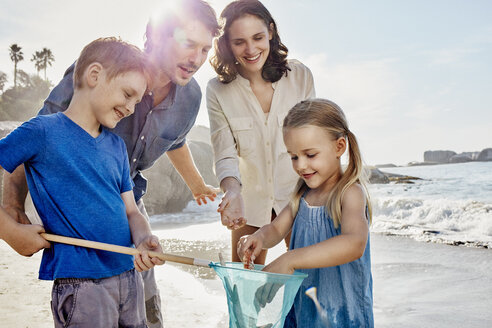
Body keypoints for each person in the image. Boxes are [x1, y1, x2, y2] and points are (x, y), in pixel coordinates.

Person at [1, 1, 220, 327]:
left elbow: (176, 141)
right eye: (189, 44)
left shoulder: (190, 98)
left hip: (128, 196)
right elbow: (33, 140)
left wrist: (197, 185)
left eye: (205, 49)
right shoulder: (105, 68)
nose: (198, 59)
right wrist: (10, 212)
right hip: (77, 208)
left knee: (145, 304)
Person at [0, 37, 165, 327]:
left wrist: (143, 239)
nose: (130, 107)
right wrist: (10, 231)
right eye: (127, 94)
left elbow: (131, 212)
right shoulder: (42, 132)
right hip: (82, 287)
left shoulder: (116, 147)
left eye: (137, 102)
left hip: (129, 278)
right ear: (94, 75)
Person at [238, 99, 374, 327]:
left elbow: (354, 243)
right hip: (303, 311)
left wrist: (290, 259)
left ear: (339, 147)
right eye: (294, 156)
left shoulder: (350, 193)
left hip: (341, 314)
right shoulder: (301, 195)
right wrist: (259, 238)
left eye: (310, 155)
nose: (300, 165)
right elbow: (275, 229)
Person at [207, 0, 315, 264]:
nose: (251, 49)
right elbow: (225, 153)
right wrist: (231, 192)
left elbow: (316, 142)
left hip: (301, 200)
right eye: (239, 42)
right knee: (244, 289)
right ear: (227, 45)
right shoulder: (217, 91)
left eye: (257, 37)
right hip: (249, 205)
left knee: (310, 285)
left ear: (270, 31)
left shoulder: (299, 76)